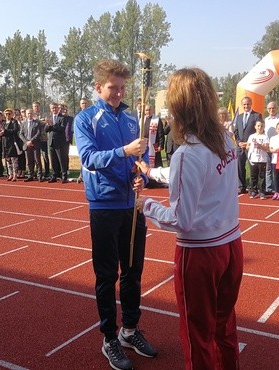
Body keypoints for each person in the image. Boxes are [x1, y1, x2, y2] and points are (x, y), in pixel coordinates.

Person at [135, 67, 243, 370]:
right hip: (232, 244)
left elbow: (181, 220)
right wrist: (154, 172)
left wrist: (147, 206)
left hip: (201, 254)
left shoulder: (187, 153)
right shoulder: (224, 137)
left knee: (198, 335)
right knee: (225, 325)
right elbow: (202, 178)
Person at [74, 59, 156, 370]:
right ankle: (109, 337)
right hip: (104, 205)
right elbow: (89, 159)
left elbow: (143, 156)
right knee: (107, 276)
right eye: (112, 88)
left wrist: (142, 176)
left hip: (131, 204)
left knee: (133, 272)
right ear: (98, 88)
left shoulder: (132, 118)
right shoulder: (85, 119)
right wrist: (125, 151)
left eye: (122, 88)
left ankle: (129, 330)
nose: (118, 93)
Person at [234, 96, 263, 194]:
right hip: (240, 146)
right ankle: (241, 186)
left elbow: (259, 131)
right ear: (242, 105)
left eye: (248, 104)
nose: (246, 106)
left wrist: (248, 143)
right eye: (244, 104)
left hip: (252, 147)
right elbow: (236, 131)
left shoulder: (257, 115)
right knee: (240, 167)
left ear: (251, 104)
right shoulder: (239, 117)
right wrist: (239, 142)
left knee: (253, 168)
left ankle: (253, 187)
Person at [45, 102, 69, 183]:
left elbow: (62, 129)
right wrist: (48, 125)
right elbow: (46, 130)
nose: (54, 109)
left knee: (62, 160)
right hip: (51, 142)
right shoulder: (49, 117)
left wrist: (52, 125)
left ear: (58, 108)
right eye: (52, 108)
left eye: (55, 107)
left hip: (60, 142)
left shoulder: (62, 117)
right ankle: (54, 175)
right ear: (50, 109)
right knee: (53, 160)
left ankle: (64, 176)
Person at [246, 119, 269, 199]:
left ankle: (262, 192)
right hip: (253, 159)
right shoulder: (251, 136)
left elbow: (266, 148)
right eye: (258, 126)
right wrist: (251, 146)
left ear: (264, 127)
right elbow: (247, 146)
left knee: (262, 176)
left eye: (261, 126)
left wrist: (260, 146)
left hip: (262, 159)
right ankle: (253, 191)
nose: (260, 127)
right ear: (255, 127)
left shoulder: (265, 137)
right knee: (253, 176)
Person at [19, 108, 42, 182]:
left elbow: (38, 133)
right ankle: (30, 175)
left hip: (35, 144)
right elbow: (21, 134)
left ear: (33, 114)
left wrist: (31, 141)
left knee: (37, 160)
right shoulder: (23, 123)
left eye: (31, 113)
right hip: (27, 145)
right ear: (26, 114)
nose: (30, 115)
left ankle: (39, 176)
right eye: (28, 113)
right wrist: (26, 142)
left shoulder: (37, 123)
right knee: (29, 161)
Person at [2, 108, 24, 182]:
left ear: (12, 114)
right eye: (6, 114)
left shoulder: (14, 122)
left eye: (9, 114)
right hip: (5, 143)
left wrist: (5, 131)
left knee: (14, 159)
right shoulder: (4, 123)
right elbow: (2, 131)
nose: (7, 115)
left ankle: (15, 174)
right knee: (8, 160)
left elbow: (15, 130)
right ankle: (10, 174)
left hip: (13, 143)